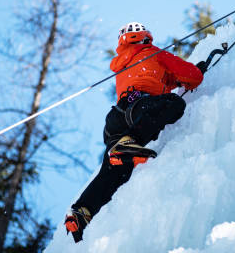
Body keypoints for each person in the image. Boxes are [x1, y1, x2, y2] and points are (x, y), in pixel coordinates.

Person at [64, 22, 206, 243]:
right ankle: (130, 141)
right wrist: (188, 76)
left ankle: (81, 212)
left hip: (116, 118)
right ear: (146, 38)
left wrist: (171, 81)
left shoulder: (123, 63)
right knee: (174, 103)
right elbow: (194, 76)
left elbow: (152, 79)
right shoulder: (153, 52)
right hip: (140, 108)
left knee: (115, 170)